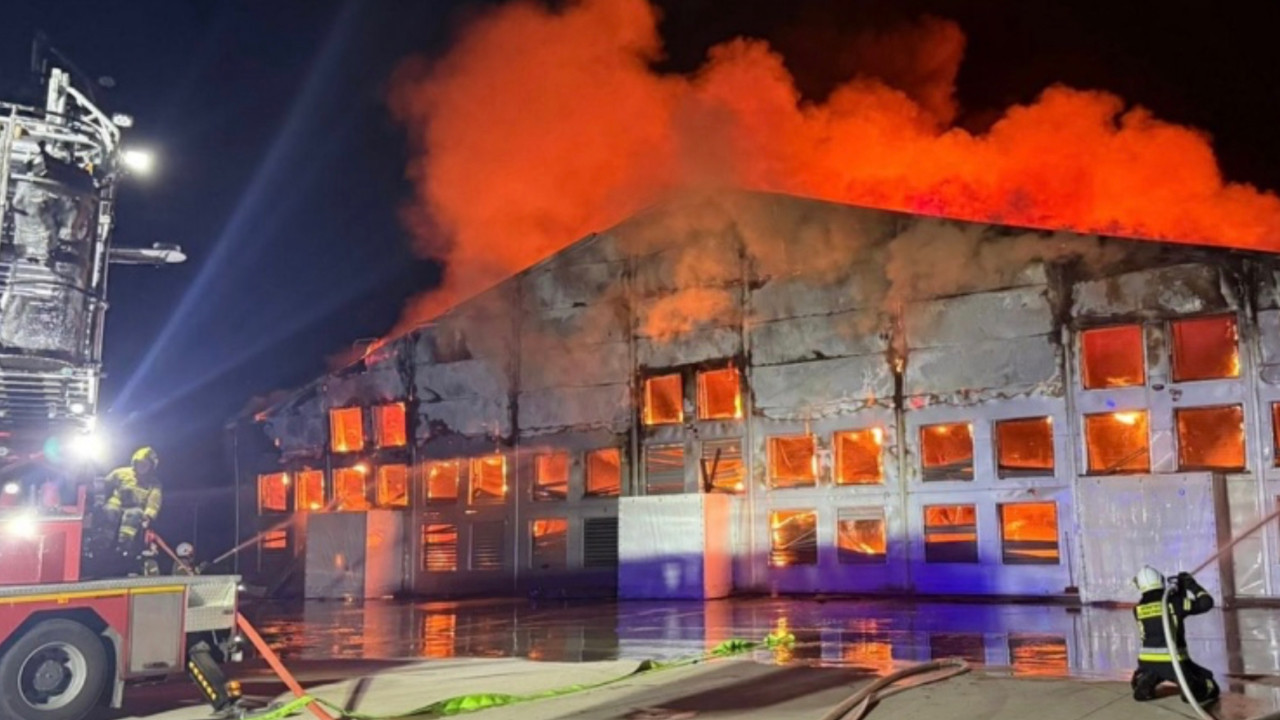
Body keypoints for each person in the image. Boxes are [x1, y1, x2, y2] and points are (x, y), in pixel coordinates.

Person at [1130, 566, 1220, 706]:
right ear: (1160, 580)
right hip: (1175, 663)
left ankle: (1146, 680)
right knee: (1199, 689)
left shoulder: (1138, 609)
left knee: (1152, 672)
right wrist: (1191, 585)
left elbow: (1163, 615)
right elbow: (1206, 603)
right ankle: (1197, 688)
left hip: (1147, 663)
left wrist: (1180, 591)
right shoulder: (1174, 603)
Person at [99, 447, 162, 558]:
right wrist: (99, 500)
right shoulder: (120, 473)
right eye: (140, 463)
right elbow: (105, 484)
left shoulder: (154, 483)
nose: (142, 467)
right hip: (116, 503)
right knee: (110, 511)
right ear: (134, 463)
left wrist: (148, 516)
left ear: (151, 466)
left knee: (133, 515)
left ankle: (124, 544)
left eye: (145, 464)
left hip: (135, 508)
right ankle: (103, 542)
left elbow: (154, 501)